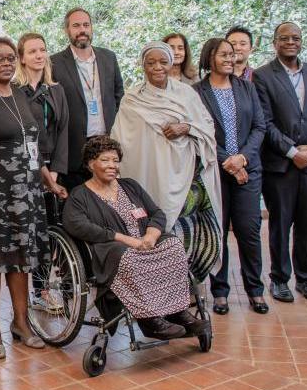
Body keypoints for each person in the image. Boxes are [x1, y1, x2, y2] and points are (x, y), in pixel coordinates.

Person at [0, 37, 68, 359]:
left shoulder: (20, 95)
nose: (5, 64)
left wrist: (47, 180)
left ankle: (21, 322)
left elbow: (33, 147)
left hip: (26, 194)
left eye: (9, 59)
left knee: (20, 261)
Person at [62, 136, 211, 339]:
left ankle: (178, 313)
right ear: (90, 163)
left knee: (174, 246)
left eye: (115, 160)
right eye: (105, 160)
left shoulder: (130, 186)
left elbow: (157, 213)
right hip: (111, 249)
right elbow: (76, 224)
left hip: (144, 242)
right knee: (130, 256)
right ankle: (150, 321)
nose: (112, 165)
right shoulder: (80, 195)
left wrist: (151, 234)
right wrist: (124, 239)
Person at [110, 42, 223, 283]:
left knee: (183, 229)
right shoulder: (132, 98)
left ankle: (185, 285)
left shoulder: (186, 93)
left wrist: (186, 127)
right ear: (143, 66)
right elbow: (120, 138)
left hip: (183, 176)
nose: (157, 68)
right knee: (148, 223)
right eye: (151, 63)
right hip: (146, 173)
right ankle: (155, 284)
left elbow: (207, 127)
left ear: (171, 63)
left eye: (163, 62)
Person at [253, 22, 307, 303]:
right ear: (275, 42)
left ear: (302, 42)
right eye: (284, 38)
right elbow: (264, 122)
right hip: (280, 166)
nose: (291, 42)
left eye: (296, 38)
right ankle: (279, 280)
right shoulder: (263, 76)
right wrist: (292, 152)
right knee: (280, 224)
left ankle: (306, 279)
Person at [194, 39, 268, 315]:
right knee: (218, 231)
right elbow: (201, 131)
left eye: (232, 54)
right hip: (216, 170)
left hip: (248, 170)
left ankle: (255, 290)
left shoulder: (247, 88)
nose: (231, 58)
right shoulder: (197, 92)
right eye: (224, 54)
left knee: (249, 231)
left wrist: (242, 159)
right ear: (209, 57)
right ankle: (220, 291)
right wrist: (228, 161)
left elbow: (260, 126)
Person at [14, 32, 70, 314]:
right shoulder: (14, 91)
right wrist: (42, 171)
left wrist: (56, 171)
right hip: (25, 168)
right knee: (30, 233)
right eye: (32, 51)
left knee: (49, 232)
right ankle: (31, 292)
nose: (39, 55)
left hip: (52, 170)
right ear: (21, 57)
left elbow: (63, 131)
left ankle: (43, 288)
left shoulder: (56, 90)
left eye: (42, 50)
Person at [50, 8, 125, 191]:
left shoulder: (108, 57)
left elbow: (119, 95)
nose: (82, 30)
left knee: (109, 201)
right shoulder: (54, 63)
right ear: (66, 30)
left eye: (86, 25)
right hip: (74, 149)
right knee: (80, 202)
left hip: (107, 142)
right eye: (76, 26)